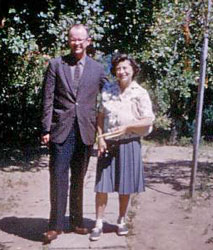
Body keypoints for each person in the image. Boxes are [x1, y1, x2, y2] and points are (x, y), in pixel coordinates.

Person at [41, 24, 107, 243]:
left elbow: (108, 96)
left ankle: (77, 221)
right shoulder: (56, 65)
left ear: (88, 41)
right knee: (58, 177)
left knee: (79, 178)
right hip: (61, 129)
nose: (77, 43)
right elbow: (48, 99)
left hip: (85, 130)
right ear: (68, 41)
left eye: (81, 39)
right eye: (73, 39)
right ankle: (55, 225)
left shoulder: (97, 69)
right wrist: (46, 128)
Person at [89, 53, 155, 241]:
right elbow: (100, 116)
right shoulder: (108, 89)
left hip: (129, 143)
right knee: (102, 186)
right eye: (118, 68)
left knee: (125, 186)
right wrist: (100, 138)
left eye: (125, 67)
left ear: (133, 70)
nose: (122, 71)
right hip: (108, 143)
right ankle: (98, 223)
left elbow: (148, 120)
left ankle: (121, 220)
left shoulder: (140, 93)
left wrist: (127, 127)